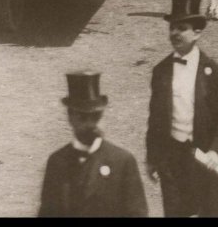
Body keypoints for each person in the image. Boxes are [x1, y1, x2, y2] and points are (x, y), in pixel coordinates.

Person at [146, 0, 218, 217]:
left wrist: (216, 153)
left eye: (182, 27)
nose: (175, 33)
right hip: (174, 163)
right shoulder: (161, 71)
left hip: (206, 160)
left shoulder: (212, 72)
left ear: (197, 32)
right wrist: (152, 158)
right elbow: (156, 120)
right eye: (172, 27)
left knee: (211, 211)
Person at [38, 71, 147, 217]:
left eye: (96, 116)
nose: (90, 124)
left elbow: (137, 214)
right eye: (82, 117)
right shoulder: (57, 162)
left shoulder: (122, 162)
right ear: (70, 117)